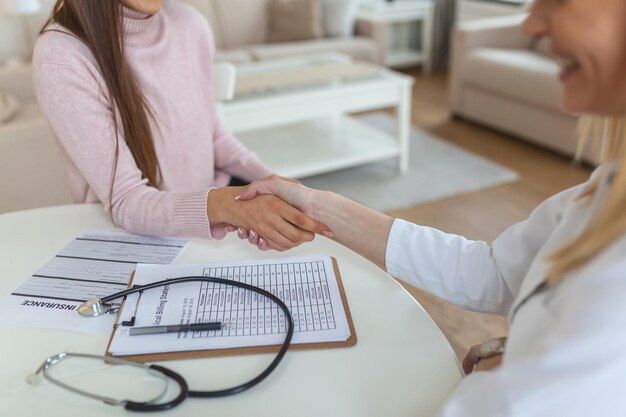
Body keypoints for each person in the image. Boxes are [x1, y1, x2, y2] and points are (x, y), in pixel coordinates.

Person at [234, 0, 626, 414]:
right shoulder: (604, 189)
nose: (529, 24)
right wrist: (318, 203)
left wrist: (508, 372)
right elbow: (493, 274)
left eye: (558, 1)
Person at [33, 0, 329, 251]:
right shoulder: (62, 56)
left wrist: (272, 182)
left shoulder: (190, 25)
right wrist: (230, 207)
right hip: (131, 241)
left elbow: (214, 137)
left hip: (210, 226)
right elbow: (127, 201)